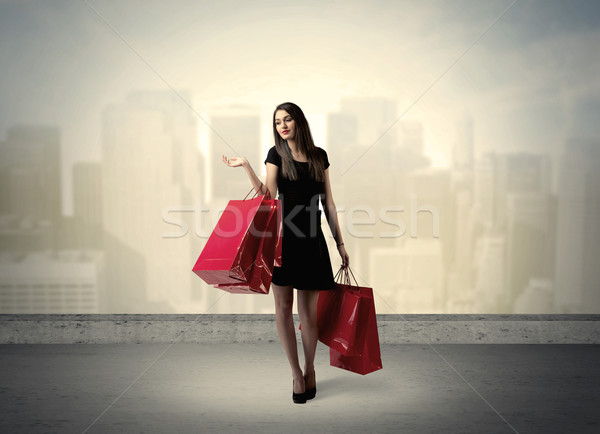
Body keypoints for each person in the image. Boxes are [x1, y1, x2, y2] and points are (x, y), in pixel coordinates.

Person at [222, 101, 349, 404]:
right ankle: (295, 374)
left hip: (313, 238)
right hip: (283, 240)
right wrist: (247, 166)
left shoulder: (319, 157)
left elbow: (328, 204)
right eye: (277, 121)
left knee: (309, 313)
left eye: (287, 119)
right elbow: (266, 194)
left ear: (298, 121)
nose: (282, 125)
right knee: (282, 309)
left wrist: (340, 244)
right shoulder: (275, 154)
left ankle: (310, 369)